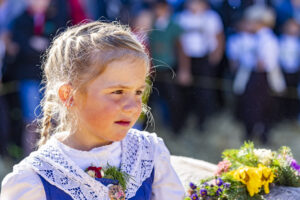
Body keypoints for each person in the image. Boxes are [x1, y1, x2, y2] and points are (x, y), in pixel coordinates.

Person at [1, 21, 185, 200]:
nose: (133, 107)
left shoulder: (149, 154)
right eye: (117, 92)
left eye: (138, 92)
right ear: (69, 95)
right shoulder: (33, 182)